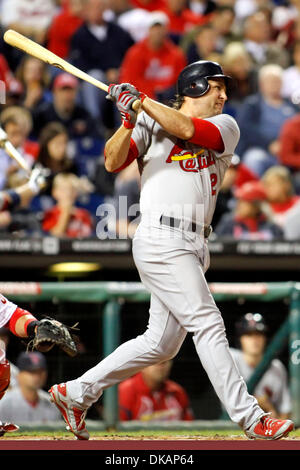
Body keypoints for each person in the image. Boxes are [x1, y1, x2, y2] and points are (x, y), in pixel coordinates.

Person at [49, 60, 294, 440]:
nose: (224, 95)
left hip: (197, 241)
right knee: (208, 322)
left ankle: (76, 392)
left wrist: (141, 101)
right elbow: (113, 162)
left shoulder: (226, 125)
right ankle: (251, 418)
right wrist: (129, 119)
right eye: (216, 87)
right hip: (161, 236)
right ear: (195, 88)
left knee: (160, 343)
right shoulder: (147, 119)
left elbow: (185, 128)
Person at [235, 64, 298, 178]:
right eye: (270, 81)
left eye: (277, 81)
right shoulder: (252, 104)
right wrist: (269, 144)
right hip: (262, 150)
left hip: (289, 151)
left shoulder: (292, 105)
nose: (274, 84)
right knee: (254, 159)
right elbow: (246, 129)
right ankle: (254, 194)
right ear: (261, 84)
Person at [229, 313, 292, 419]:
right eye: (249, 335)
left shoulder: (277, 368)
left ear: (264, 338)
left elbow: (285, 410)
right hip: (234, 422)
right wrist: (259, 402)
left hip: (269, 422)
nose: (254, 340)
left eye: (258, 334)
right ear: (240, 339)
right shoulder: (231, 359)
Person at [119, 11, 187, 102]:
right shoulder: (135, 53)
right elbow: (128, 81)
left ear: (166, 31)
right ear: (148, 30)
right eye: (154, 28)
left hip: (168, 100)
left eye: (161, 28)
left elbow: (181, 81)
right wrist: (151, 93)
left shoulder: (176, 54)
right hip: (140, 99)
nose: (158, 32)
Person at [119, 359, 194, 421]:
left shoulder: (177, 391)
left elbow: (191, 429)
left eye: (165, 360)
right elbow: (116, 433)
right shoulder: (125, 391)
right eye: (155, 359)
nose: (161, 365)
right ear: (141, 365)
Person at [0, 351, 60, 424]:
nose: (36, 376)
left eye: (40, 371)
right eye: (31, 372)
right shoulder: (3, 403)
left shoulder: (52, 404)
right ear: (19, 375)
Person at [215, 180, 283, 240]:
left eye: (244, 201)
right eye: (239, 200)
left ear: (256, 206)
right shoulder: (229, 223)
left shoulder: (271, 226)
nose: (239, 205)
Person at [42, 172, 94, 238]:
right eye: (63, 189)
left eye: (72, 189)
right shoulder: (50, 214)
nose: (68, 193)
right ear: (55, 192)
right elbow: (54, 237)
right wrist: (66, 212)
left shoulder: (84, 214)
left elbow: (88, 238)